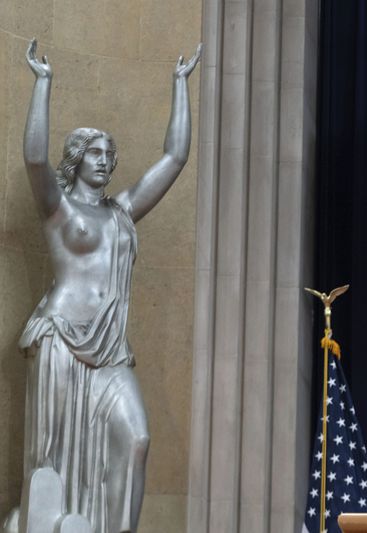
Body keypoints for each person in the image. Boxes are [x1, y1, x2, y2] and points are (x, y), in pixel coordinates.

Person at [14, 39, 201, 532]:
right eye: (94, 152)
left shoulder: (121, 214)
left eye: (108, 153)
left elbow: (175, 157)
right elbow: (34, 159)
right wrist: (43, 83)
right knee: (47, 461)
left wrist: (181, 86)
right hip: (60, 340)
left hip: (111, 352)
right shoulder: (57, 209)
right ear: (76, 158)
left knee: (137, 438)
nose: (104, 159)